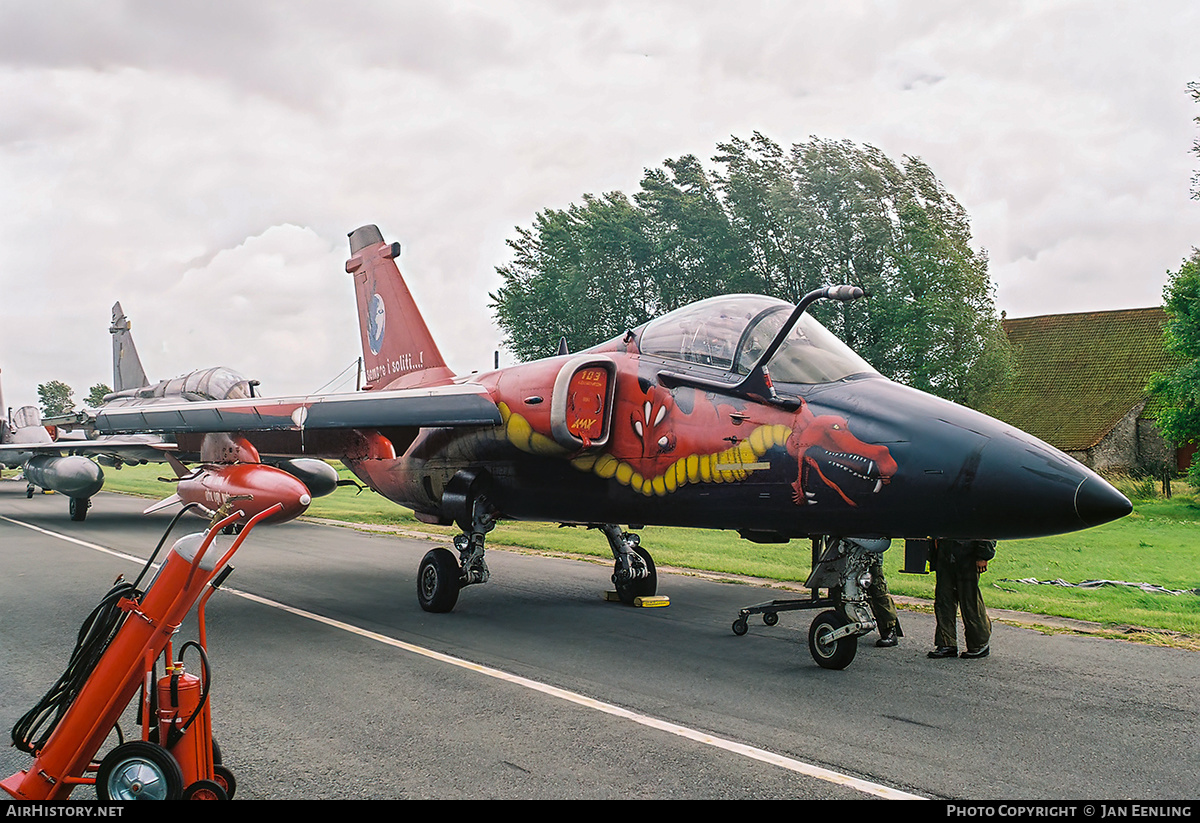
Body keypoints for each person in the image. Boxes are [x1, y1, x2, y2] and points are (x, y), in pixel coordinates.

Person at [927, 538, 996, 659]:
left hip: (968, 553)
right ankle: (946, 643)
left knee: (970, 602)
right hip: (945, 551)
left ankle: (979, 643)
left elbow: (986, 528)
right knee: (944, 600)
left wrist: (983, 555)